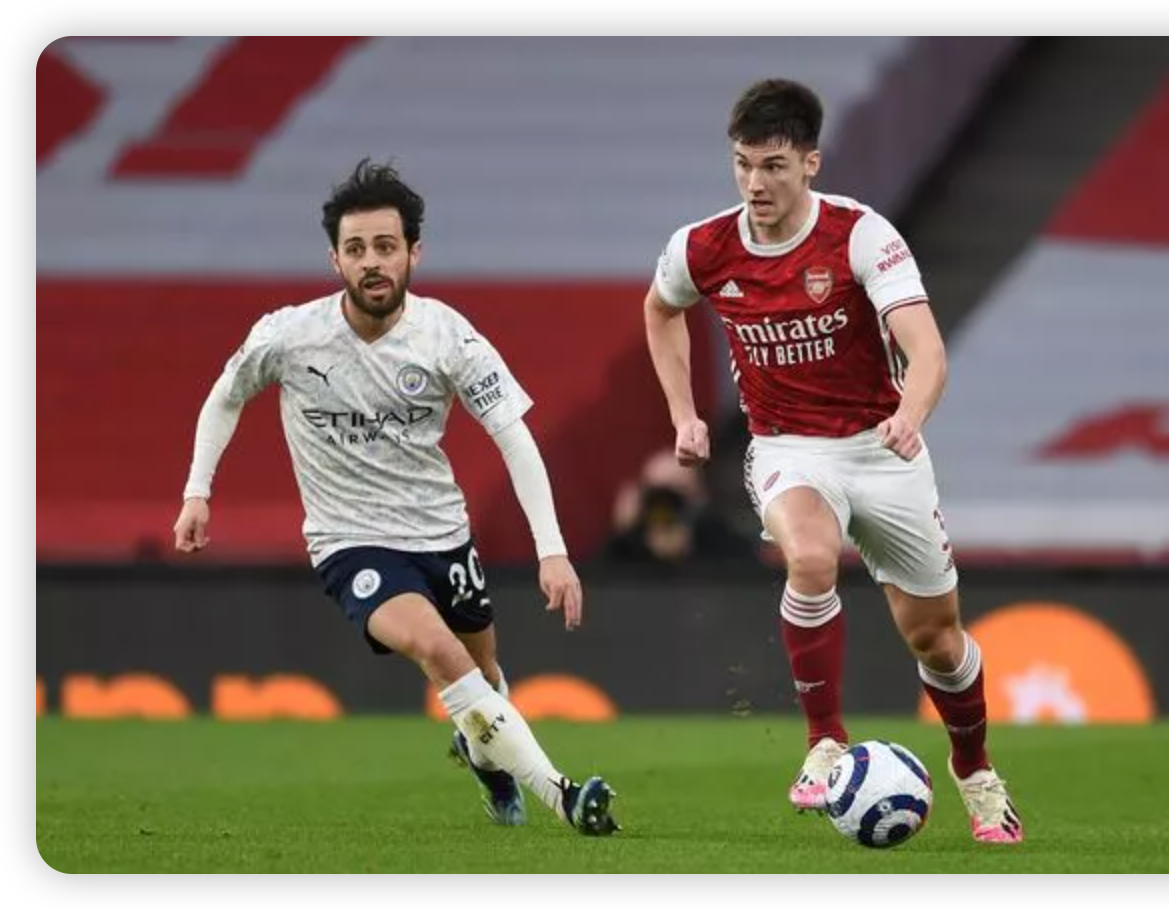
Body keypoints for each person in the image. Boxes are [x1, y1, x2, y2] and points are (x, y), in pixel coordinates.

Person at [171, 158, 619, 837]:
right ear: (335, 259)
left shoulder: (449, 336)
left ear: (414, 252)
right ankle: (564, 796)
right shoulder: (290, 336)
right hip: (351, 542)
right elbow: (224, 397)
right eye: (356, 250)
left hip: (443, 535)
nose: (371, 263)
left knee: (483, 673)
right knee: (441, 656)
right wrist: (197, 492)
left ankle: (482, 755)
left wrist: (551, 553)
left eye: (385, 247)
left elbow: (515, 440)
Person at [642, 79, 1022, 844]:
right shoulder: (702, 247)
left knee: (937, 641)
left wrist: (910, 419)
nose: (756, 183)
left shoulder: (859, 235)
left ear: (810, 162)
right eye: (744, 164)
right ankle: (825, 740)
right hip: (787, 447)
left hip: (882, 446)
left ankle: (974, 770)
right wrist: (683, 414)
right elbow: (660, 309)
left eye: (774, 165)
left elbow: (927, 351)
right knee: (810, 559)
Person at [604, 447, 754, 563]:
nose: (668, 506)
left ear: (700, 495)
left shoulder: (722, 542)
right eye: (659, 496)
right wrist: (627, 535)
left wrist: (690, 551)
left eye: (679, 492)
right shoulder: (626, 548)